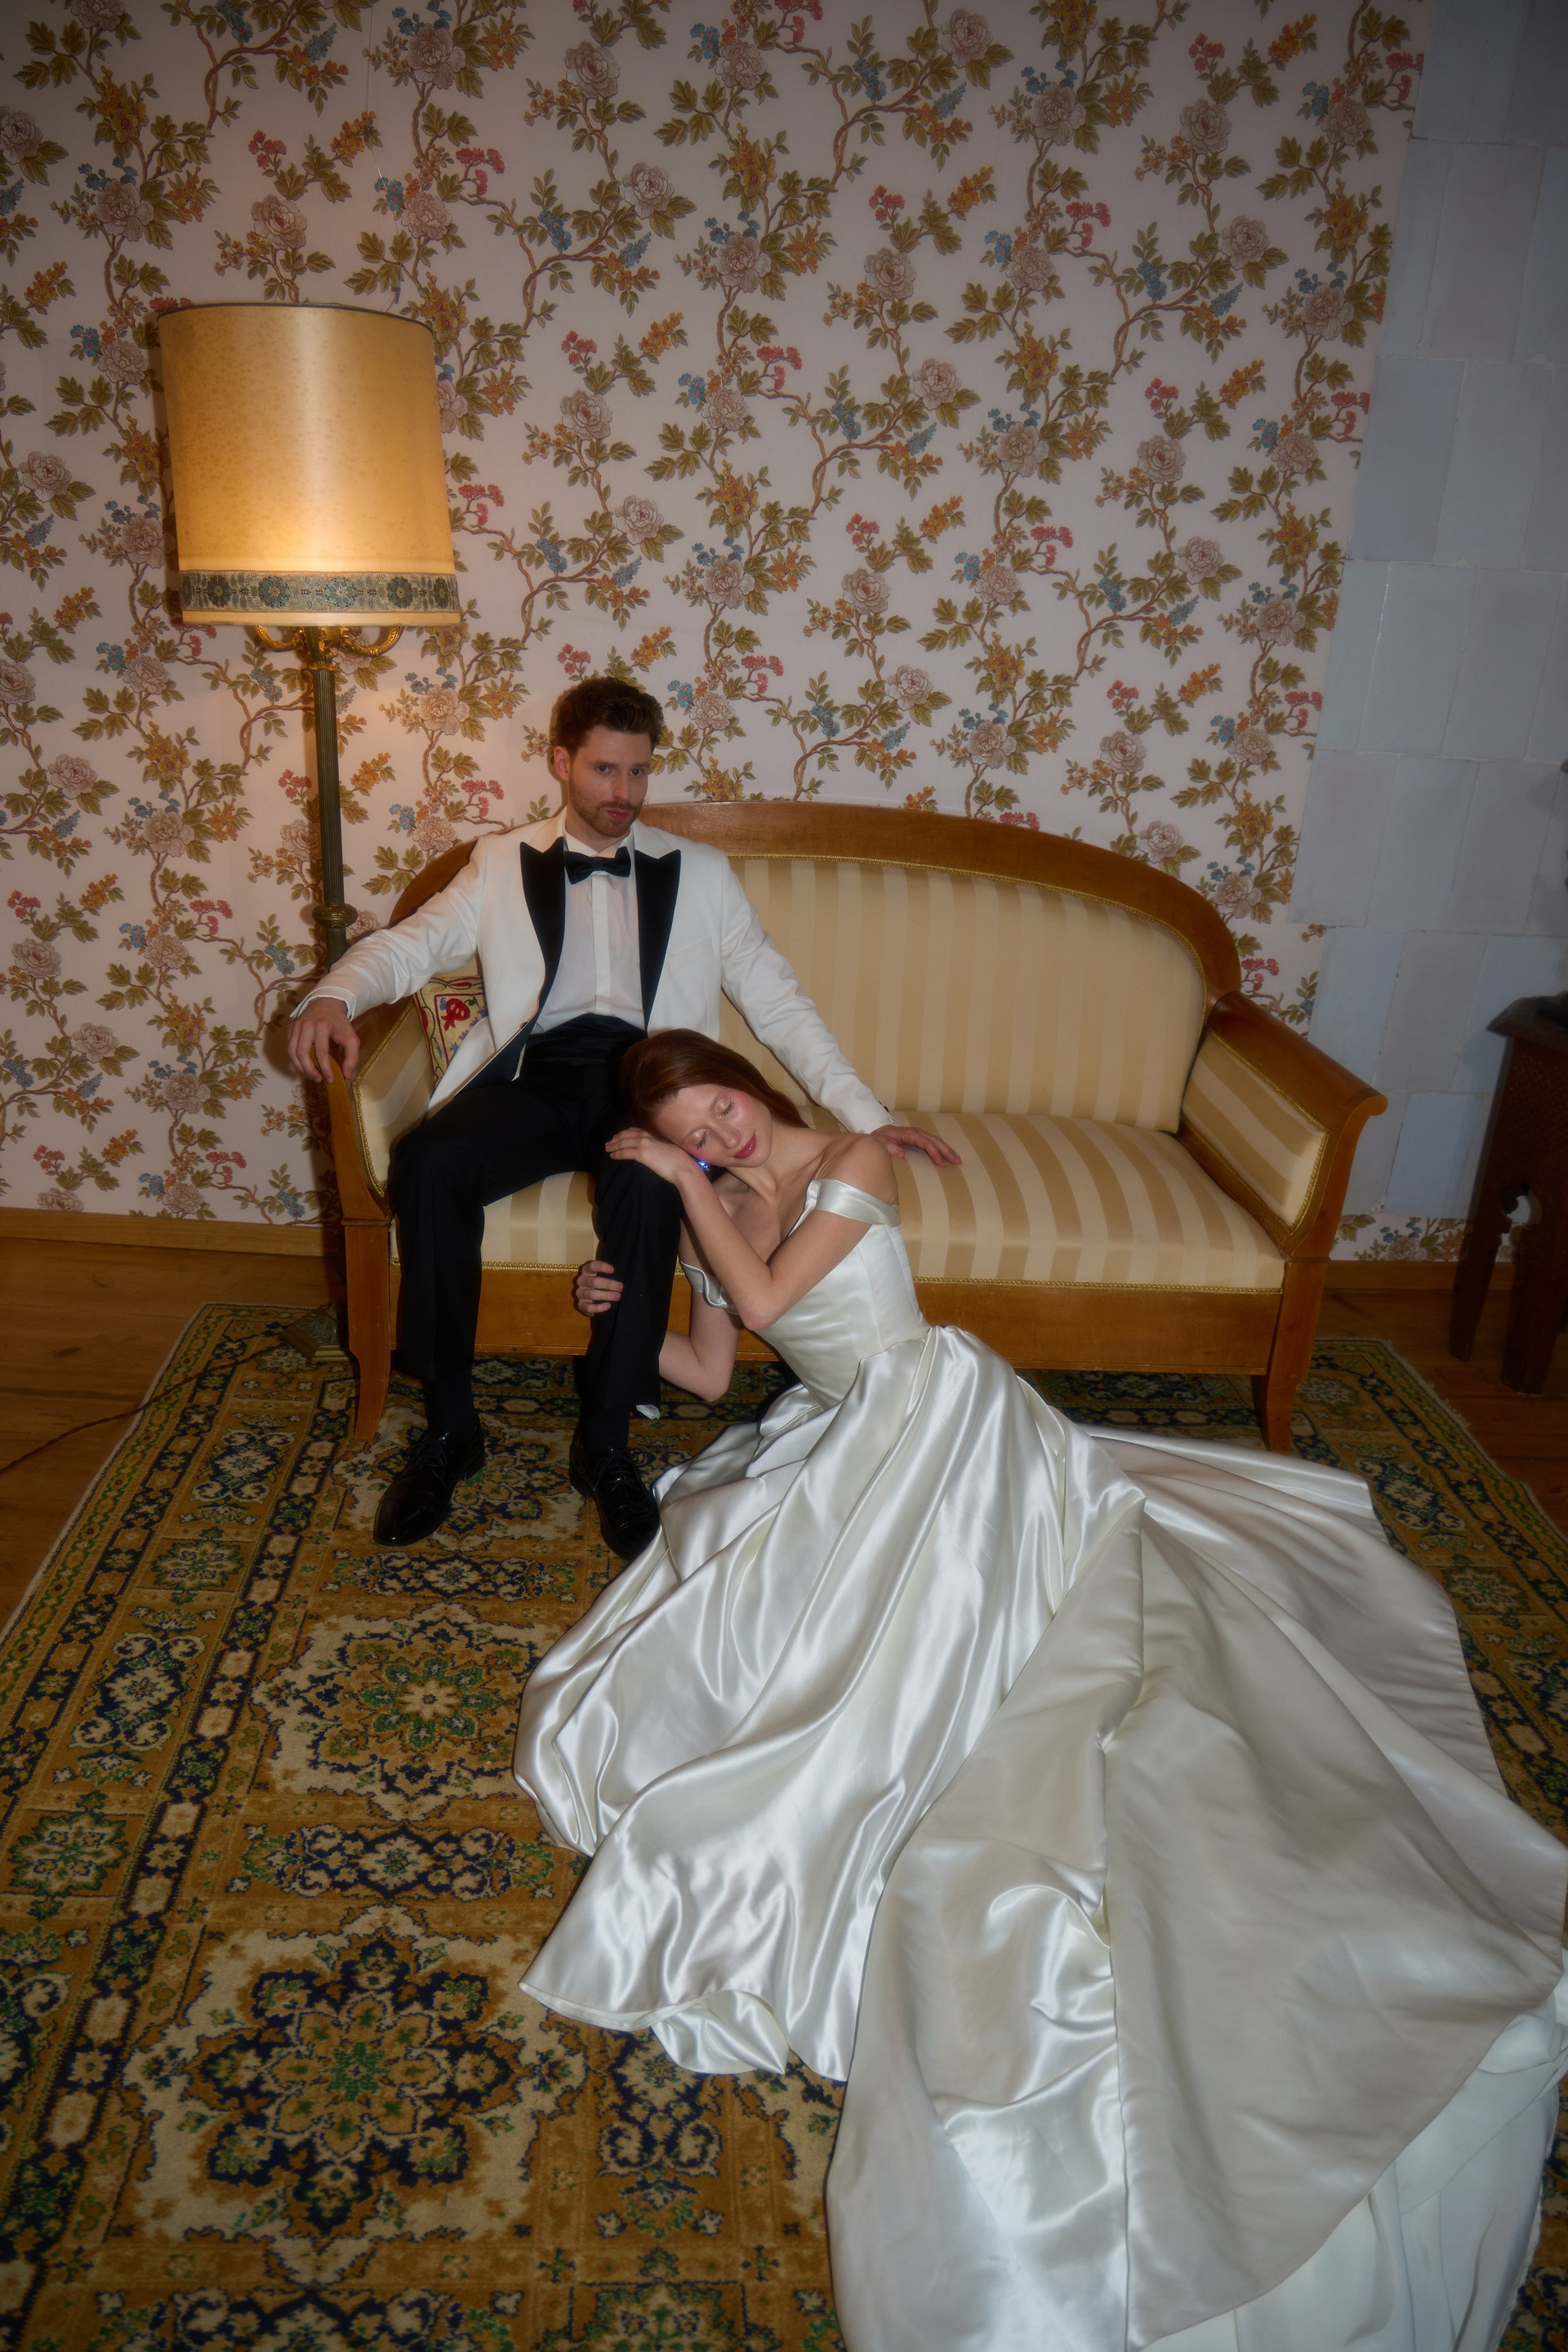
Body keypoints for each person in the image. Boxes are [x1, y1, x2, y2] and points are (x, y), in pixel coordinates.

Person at [514, 1028, 1568, 2352]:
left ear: (748, 1085)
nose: (719, 1140)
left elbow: (775, 1302)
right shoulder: (715, 1201)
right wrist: (615, 1312)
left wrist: (675, 1184)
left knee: (1002, 1648)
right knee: (726, 1614)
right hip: (838, 1435)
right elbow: (717, 1369)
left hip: (935, 1426)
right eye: (691, 1134)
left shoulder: (855, 1160)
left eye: (719, 1110)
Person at [287, 676, 955, 1554]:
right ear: (561, 762)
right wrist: (333, 996)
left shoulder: (700, 874)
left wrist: (866, 1118)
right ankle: (450, 1426)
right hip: (531, 1077)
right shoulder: (500, 862)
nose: (623, 792)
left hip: (649, 1090)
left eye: (639, 772)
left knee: (648, 1190)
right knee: (430, 1163)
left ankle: (605, 1442)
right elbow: (410, 947)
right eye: (605, 769)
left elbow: (777, 1002)